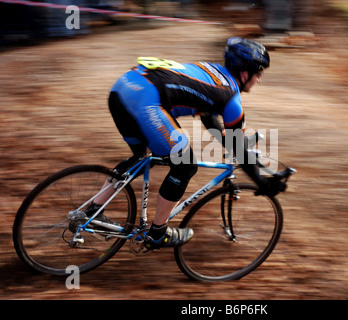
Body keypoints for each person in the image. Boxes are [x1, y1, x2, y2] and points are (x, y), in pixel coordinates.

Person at [84, 37, 286, 250]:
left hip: (122, 88)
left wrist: (232, 145)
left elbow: (209, 118)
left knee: (141, 158)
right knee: (185, 165)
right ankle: (158, 232)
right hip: (148, 102)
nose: (259, 80)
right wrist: (262, 182)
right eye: (259, 74)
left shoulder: (212, 71)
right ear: (245, 73)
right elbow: (238, 148)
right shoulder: (231, 100)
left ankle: (92, 211)